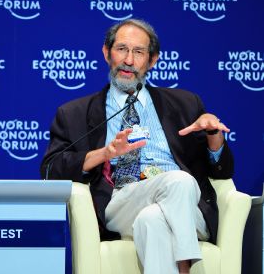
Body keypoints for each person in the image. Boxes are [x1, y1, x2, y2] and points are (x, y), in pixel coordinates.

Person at [40, 18, 233, 274]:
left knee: (154, 217)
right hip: (122, 201)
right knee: (180, 180)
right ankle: (186, 267)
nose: (128, 61)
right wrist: (106, 153)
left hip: (185, 206)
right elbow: (50, 169)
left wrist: (213, 135)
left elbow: (222, 171)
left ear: (152, 60)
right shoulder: (74, 113)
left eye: (139, 52)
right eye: (121, 49)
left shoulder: (185, 104)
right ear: (106, 53)